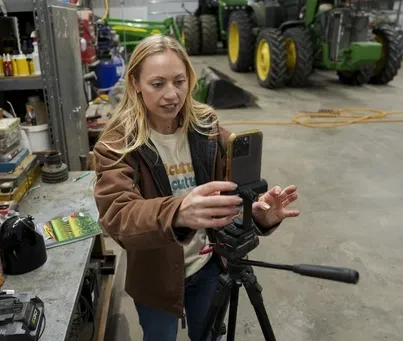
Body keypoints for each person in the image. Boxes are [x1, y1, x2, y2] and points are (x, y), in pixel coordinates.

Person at [92, 35, 300, 341]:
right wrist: (178, 212)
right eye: (157, 84)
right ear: (135, 82)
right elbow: (119, 218)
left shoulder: (207, 127)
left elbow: (232, 193)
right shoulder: (116, 145)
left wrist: (256, 215)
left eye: (179, 81)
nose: (172, 95)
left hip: (210, 266)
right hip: (155, 278)